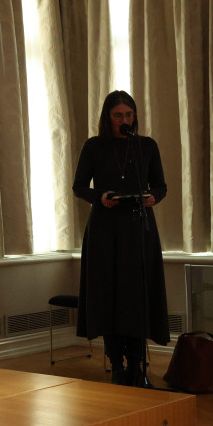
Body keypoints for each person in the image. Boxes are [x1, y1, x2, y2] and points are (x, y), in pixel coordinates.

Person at [73, 89, 169, 387]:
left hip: (139, 229)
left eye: (129, 115)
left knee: (138, 297)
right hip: (105, 229)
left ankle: (138, 366)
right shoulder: (94, 146)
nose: (124, 120)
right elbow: (79, 187)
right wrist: (100, 197)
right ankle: (116, 365)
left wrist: (153, 196)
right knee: (110, 296)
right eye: (118, 115)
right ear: (107, 117)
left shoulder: (146, 146)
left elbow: (160, 186)